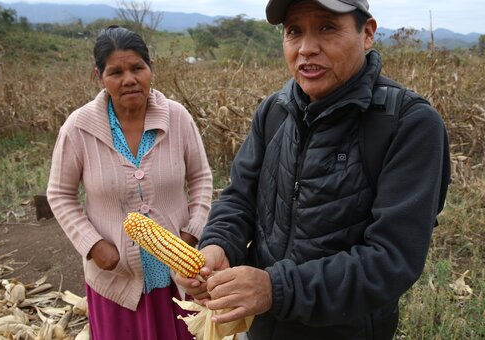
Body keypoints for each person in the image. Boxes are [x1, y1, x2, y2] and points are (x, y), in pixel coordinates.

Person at [175, 1, 451, 339]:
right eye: (294, 31)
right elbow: (239, 199)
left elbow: (391, 259)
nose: (306, 48)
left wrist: (274, 289)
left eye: (327, 27)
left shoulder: (407, 124)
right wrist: (217, 245)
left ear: (366, 34)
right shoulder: (274, 111)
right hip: (260, 326)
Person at [47, 26, 212, 339]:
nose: (129, 79)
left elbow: (201, 177)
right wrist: (92, 244)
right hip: (117, 281)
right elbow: (59, 194)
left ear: (150, 68)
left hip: (178, 276)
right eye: (116, 72)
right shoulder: (79, 129)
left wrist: (192, 231)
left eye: (137, 68)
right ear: (99, 76)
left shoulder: (177, 117)